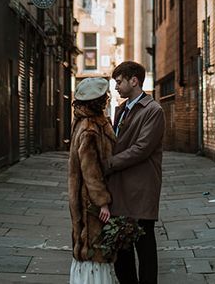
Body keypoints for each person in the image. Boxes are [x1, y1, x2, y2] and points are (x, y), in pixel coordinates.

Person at [105, 61, 165, 284]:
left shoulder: (153, 110)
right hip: (120, 189)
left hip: (140, 189)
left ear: (134, 81)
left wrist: (108, 163)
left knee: (145, 247)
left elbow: (141, 149)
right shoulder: (121, 109)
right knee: (122, 250)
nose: (116, 87)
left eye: (119, 82)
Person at [68, 76, 119, 284]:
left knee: (89, 246)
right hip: (89, 198)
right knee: (93, 247)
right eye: (104, 97)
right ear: (97, 101)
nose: (107, 99)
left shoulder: (83, 122)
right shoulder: (90, 127)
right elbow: (91, 169)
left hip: (83, 196)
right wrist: (102, 202)